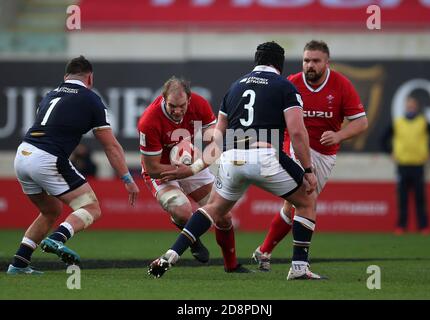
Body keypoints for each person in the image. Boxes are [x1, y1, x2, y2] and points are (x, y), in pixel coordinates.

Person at [148, 41, 326, 280]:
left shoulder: (234, 88)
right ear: (279, 64)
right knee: (307, 200)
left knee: (214, 208)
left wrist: (192, 169)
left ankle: (172, 253)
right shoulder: (286, 87)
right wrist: (307, 169)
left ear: (256, 61)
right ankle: (299, 268)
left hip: (231, 157)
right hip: (264, 154)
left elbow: (218, 140)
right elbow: (296, 132)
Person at [7, 56, 139, 275]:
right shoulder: (91, 99)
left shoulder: (50, 95)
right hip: (47, 158)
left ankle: (19, 263)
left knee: (51, 210)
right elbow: (111, 146)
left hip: (23, 155)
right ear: (90, 78)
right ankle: (57, 238)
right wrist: (127, 178)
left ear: (65, 76)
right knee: (91, 208)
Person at [252, 40, 368, 271]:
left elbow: (362, 122)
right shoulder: (291, 83)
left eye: (315, 61)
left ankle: (264, 251)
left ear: (327, 62)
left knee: (293, 205)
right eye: (306, 60)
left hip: (325, 153)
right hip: (294, 148)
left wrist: (339, 136)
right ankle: (296, 264)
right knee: (304, 200)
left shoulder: (341, 85)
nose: (310, 65)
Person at [138, 77, 241, 271]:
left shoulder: (200, 104)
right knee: (182, 211)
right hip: (162, 170)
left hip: (189, 162)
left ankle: (232, 265)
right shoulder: (149, 121)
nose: (177, 111)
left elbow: (216, 144)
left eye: (182, 106)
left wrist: (192, 169)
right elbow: (151, 167)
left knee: (224, 216)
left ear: (190, 99)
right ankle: (193, 241)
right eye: (172, 106)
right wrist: (178, 172)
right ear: (163, 99)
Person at [381, 95, 430, 235]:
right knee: (402, 198)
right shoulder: (398, 123)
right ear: (405, 106)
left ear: (417, 106)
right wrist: (390, 152)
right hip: (402, 165)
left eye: (413, 105)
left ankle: (423, 227)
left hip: (418, 165)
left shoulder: (423, 122)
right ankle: (401, 226)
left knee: (420, 197)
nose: (411, 107)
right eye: (408, 105)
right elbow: (383, 139)